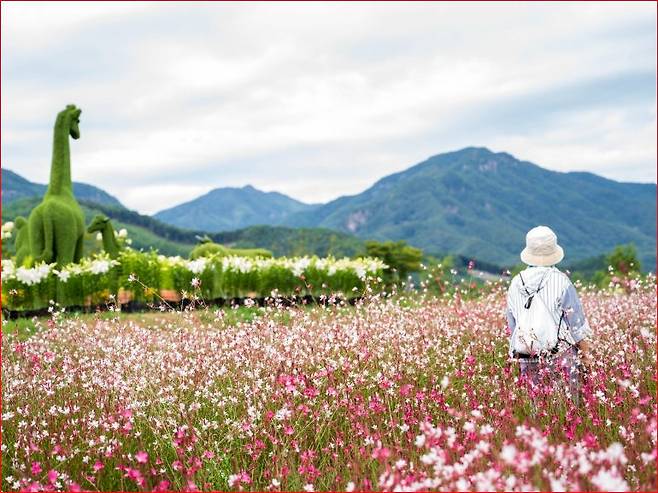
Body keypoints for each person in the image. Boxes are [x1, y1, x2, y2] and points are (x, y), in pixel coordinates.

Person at [506, 226, 592, 404]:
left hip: (528, 355)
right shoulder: (560, 280)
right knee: (567, 407)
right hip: (561, 354)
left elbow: (513, 325)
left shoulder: (515, 283)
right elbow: (576, 324)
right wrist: (585, 354)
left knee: (537, 408)